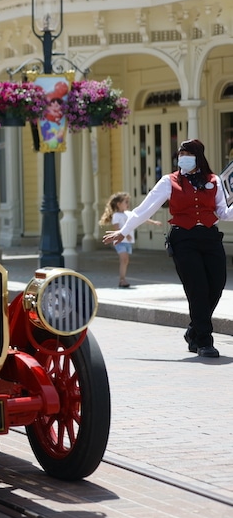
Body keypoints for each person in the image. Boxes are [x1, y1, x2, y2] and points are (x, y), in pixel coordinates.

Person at [103, 139, 233, 358]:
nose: (182, 157)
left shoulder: (214, 181)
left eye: (187, 153)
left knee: (217, 283)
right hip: (183, 239)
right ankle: (204, 341)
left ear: (198, 156)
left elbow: (223, 213)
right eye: (180, 153)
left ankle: (194, 330)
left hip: (210, 237)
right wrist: (124, 230)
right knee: (197, 288)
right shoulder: (168, 181)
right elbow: (145, 209)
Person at [99, 191, 161, 288]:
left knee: (126, 260)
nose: (128, 204)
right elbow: (116, 228)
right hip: (120, 242)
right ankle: (122, 280)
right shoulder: (116, 216)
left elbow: (141, 218)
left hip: (128, 242)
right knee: (124, 259)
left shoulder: (129, 213)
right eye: (126, 202)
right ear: (119, 204)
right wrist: (124, 234)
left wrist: (153, 222)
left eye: (128, 202)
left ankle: (123, 278)